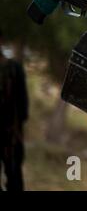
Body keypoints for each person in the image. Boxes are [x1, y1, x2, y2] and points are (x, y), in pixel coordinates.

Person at [0, 29, 29, 191]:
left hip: (11, 133)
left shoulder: (14, 69)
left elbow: (22, 102)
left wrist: (18, 130)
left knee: (14, 177)